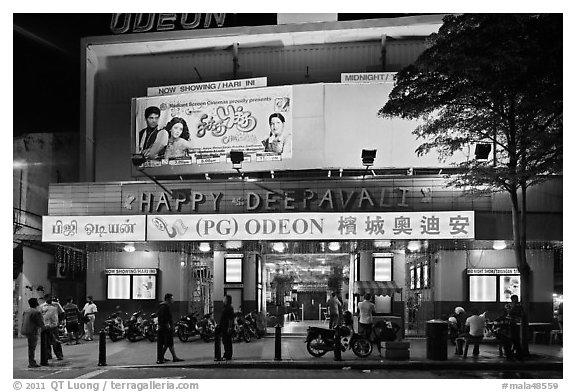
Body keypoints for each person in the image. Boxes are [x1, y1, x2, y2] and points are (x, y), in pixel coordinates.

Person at [156, 293, 183, 364]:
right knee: (168, 343)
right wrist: (168, 325)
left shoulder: (163, 306)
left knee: (168, 343)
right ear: (168, 299)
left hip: (164, 327)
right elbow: (164, 318)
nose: (173, 300)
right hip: (166, 328)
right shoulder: (164, 307)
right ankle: (169, 357)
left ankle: (164, 357)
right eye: (172, 298)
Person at [21, 298, 46, 368]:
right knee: (32, 348)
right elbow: (40, 323)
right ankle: (32, 362)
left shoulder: (26, 311)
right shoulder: (36, 312)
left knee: (30, 347)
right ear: (36, 303)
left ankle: (31, 361)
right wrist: (46, 327)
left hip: (26, 330)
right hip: (33, 331)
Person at [39, 296, 64, 360]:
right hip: (45, 326)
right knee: (46, 342)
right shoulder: (42, 306)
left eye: (50, 298)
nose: (49, 299)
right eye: (48, 298)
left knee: (56, 341)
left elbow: (62, 312)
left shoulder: (56, 304)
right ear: (45, 299)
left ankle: (59, 355)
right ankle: (48, 355)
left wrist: (60, 321)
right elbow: (40, 315)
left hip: (54, 326)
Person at [219, 295, 235, 361]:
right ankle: (227, 354)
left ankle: (227, 355)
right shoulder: (226, 307)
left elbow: (230, 319)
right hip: (224, 327)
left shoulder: (229, 308)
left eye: (224, 298)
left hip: (226, 327)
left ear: (227, 300)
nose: (223, 300)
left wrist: (229, 327)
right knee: (226, 341)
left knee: (227, 341)